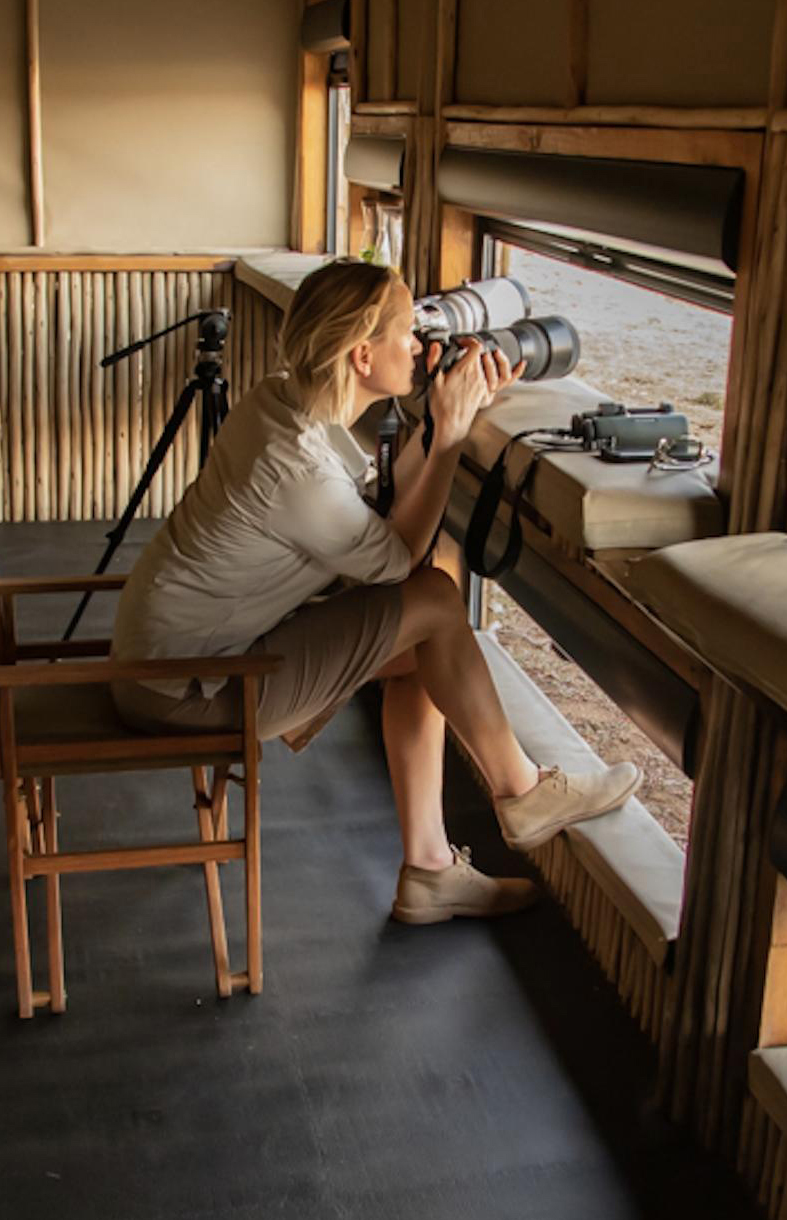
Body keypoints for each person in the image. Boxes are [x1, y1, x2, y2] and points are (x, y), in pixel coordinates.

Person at [111, 258, 641, 924]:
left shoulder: (279, 400)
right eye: (406, 333)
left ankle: (431, 872)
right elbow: (397, 560)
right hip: (189, 689)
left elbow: (373, 515)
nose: (420, 345)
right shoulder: (296, 470)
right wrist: (448, 436)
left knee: (426, 639)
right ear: (362, 355)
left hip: (165, 657)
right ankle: (521, 792)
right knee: (436, 601)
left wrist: (438, 421)